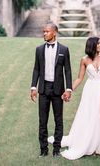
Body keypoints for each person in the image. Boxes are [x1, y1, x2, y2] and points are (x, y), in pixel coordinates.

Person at [49, 36, 100, 160]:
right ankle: (90, 143)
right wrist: (69, 90)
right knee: (90, 117)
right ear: (91, 45)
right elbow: (79, 78)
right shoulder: (84, 60)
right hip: (90, 90)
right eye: (98, 44)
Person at [30, 22, 72, 158]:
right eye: (43, 31)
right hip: (43, 89)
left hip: (58, 90)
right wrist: (33, 87)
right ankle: (43, 150)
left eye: (47, 31)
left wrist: (68, 89)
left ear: (54, 33)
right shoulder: (39, 49)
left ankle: (56, 150)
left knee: (58, 120)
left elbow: (68, 71)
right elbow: (36, 69)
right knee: (42, 121)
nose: (44, 34)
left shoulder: (64, 50)